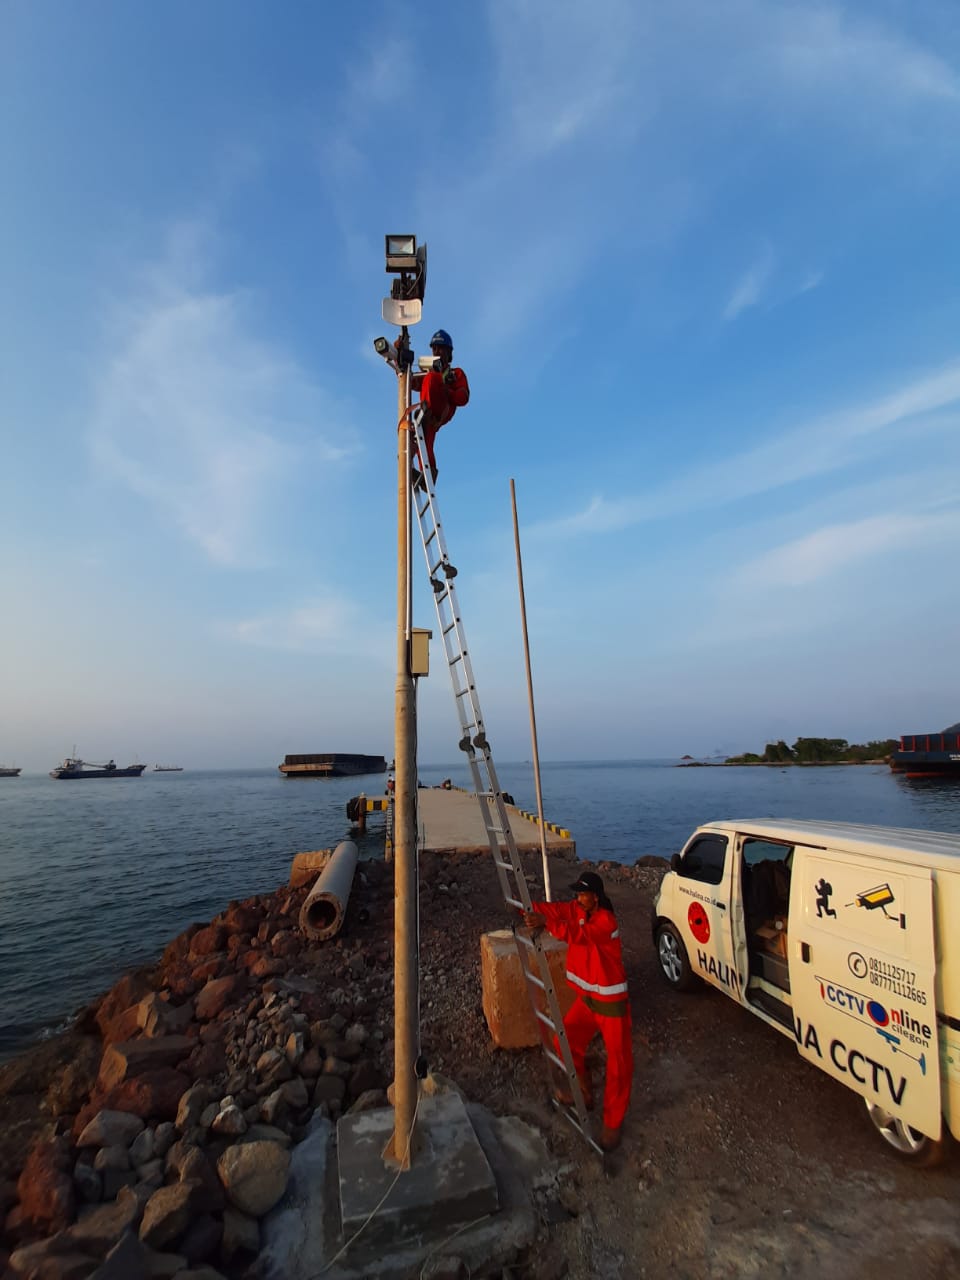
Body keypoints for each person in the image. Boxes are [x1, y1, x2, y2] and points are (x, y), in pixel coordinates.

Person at [523, 871, 632, 1151]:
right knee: (565, 1040)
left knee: (619, 1064)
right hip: (588, 999)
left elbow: (578, 936)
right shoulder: (577, 908)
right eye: (577, 894)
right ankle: (584, 1092)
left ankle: (612, 1124)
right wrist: (529, 906)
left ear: (595, 897)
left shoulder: (606, 920)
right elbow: (557, 909)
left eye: (582, 894)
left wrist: (547, 924)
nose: (577, 898)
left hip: (610, 1003)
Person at [409, 328, 469, 484]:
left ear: (449, 352)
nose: (437, 351)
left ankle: (425, 411)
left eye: (440, 348)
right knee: (421, 439)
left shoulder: (456, 373)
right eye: (434, 348)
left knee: (432, 377)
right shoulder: (427, 371)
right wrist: (400, 360)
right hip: (428, 412)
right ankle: (427, 476)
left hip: (440, 408)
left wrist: (448, 388)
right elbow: (410, 382)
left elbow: (463, 398)